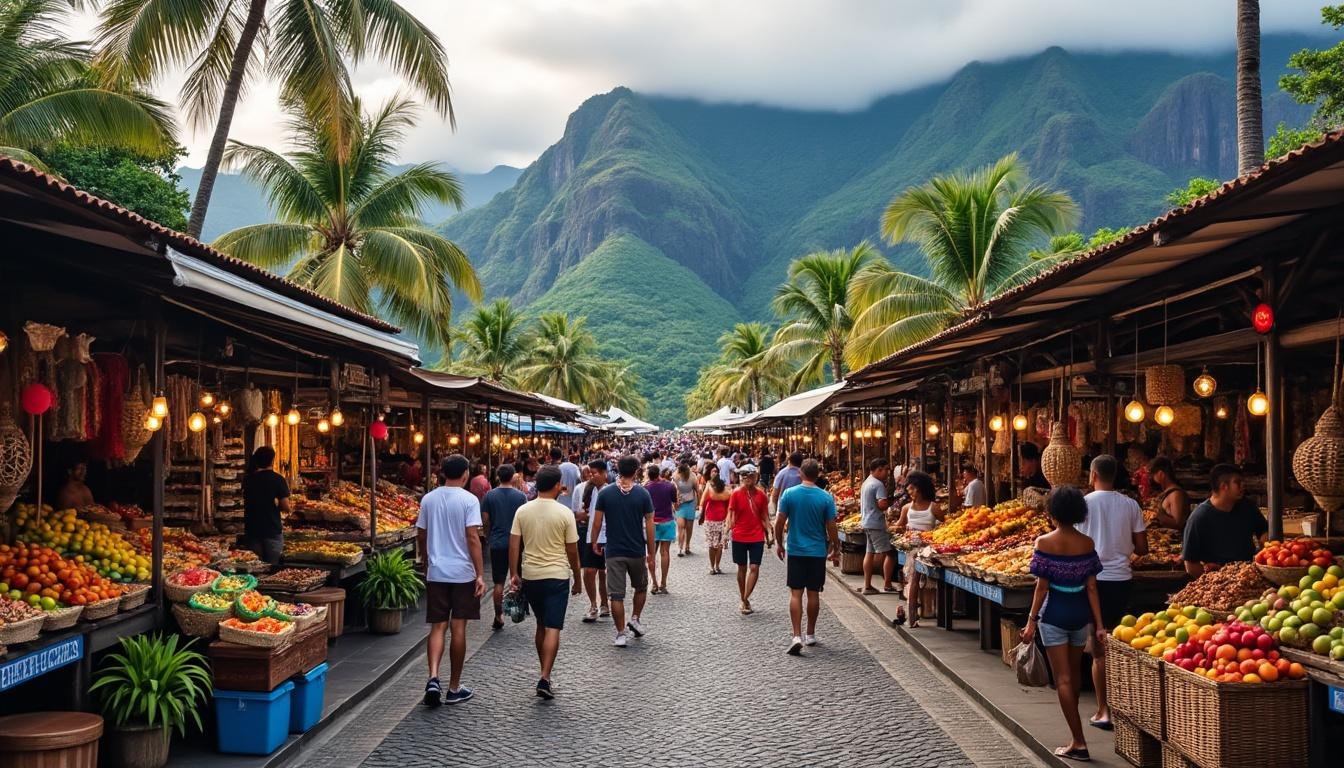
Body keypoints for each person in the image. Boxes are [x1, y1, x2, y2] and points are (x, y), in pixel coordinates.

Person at [1020, 486, 1106, 763]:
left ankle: (1078, 741)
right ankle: (1075, 733)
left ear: (1053, 512)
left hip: (1054, 615)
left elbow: (1041, 587)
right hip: (1080, 615)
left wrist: (1031, 621)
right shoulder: (1087, 544)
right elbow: (1092, 588)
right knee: (1074, 676)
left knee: (1063, 680)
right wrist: (1099, 624)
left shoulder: (1044, 542)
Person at [1077, 454, 1147, 732]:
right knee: (1118, 640)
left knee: (1098, 649)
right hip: (1121, 580)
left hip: (1091, 581)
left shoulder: (1083, 504)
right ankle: (1122, 705)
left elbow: (1074, 543)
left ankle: (1104, 710)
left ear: (1093, 474)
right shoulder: (1130, 505)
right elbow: (1142, 548)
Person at [417, 455, 485, 706]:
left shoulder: (428, 499)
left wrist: (426, 561)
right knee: (458, 628)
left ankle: (433, 677)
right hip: (462, 573)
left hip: (437, 571)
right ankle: (454, 687)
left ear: (443, 473)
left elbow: (421, 534)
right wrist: (480, 573)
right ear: (466, 474)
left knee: (437, 627)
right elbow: (473, 537)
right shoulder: (469, 500)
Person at [509, 465, 582, 700]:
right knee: (553, 627)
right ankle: (544, 675)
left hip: (531, 575)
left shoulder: (523, 511)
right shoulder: (564, 513)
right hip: (557, 575)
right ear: (556, 485)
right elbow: (572, 550)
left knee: (541, 625)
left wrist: (514, 573)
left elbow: (514, 544)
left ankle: (545, 673)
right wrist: (577, 577)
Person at [774, 458, 840, 655]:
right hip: (817, 550)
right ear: (818, 475)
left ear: (800, 473)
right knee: (813, 593)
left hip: (795, 549)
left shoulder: (789, 494)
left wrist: (779, 542)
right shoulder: (826, 497)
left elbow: (779, 521)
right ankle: (810, 633)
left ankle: (796, 635)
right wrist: (836, 547)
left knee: (796, 593)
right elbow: (831, 525)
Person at [591, 455, 656, 647]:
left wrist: (594, 542)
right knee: (641, 587)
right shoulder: (643, 494)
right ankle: (635, 618)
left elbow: (597, 522)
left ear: (617, 470)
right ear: (636, 471)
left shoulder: (605, 493)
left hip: (614, 551)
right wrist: (651, 552)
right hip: (636, 550)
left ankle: (620, 633)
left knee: (616, 595)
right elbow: (650, 524)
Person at [1182, 464, 1268, 576]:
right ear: (1224, 486)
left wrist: (1263, 554)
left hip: (1250, 574)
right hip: (1219, 579)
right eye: (1238, 482)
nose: (1243, 485)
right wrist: (1215, 579)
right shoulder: (1199, 517)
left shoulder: (1247, 506)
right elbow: (1190, 564)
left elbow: (1264, 532)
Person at [893, 470, 944, 627]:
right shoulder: (906, 508)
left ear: (920, 489)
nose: (910, 491)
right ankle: (912, 615)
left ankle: (915, 613)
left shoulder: (934, 508)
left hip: (928, 549)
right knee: (913, 578)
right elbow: (899, 525)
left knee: (916, 580)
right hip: (912, 548)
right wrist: (892, 527)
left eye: (913, 488)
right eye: (909, 488)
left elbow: (945, 526)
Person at [482, 464, 527, 631]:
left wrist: (489, 536)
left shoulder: (489, 495)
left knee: (498, 582)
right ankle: (517, 611)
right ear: (513, 476)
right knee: (517, 577)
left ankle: (498, 615)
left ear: (497, 476)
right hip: (517, 542)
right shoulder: (521, 496)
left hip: (497, 542)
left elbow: (485, 520)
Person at [726, 463, 771, 615]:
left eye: (750, 476)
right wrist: (726, 532)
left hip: (756, 535)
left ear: (755, 477)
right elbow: (731, 514)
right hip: (739, 535)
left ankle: (745, 598)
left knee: (754, 567)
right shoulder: (736, 494)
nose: (747, 479)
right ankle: (744, 598)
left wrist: (769, 532)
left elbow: (764, 515)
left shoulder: (761, 495)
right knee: (742, 568)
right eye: (744, 476)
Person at [574, 460, 611, 622]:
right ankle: (593, 605)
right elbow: (580, 513)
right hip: (591, 536)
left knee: (604, 572)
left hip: (606, 537)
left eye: (594, 473)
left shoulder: (609, 491)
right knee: (589, 571)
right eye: (589, 472)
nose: (591, 476)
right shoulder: (588, 490)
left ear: (604, 474)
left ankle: (605, 604)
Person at [242, 447, 291, 565]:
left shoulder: (248, 479)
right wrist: (276, 506)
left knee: (255, 567)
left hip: (252, 530)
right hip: (272, 529)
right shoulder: (278, 479)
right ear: (272, 460)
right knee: (272, 567)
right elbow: (286, 507)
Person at [858, 458, 897, 595]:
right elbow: (882, 504)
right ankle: (887, 584)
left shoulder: (866, 482)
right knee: (890, 554)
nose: (887, 473)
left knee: (869, 553)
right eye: (886, 470)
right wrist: (890, 504)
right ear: (879, 469)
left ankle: (867, 585)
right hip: (876, 523)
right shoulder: (878, 484)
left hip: (867, 522)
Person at [645, 466, 679, 594]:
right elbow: (675, 503)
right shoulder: (669, 486)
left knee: (651, 554)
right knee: (665, 552)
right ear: (659, 474)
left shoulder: (645, 488)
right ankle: (663, 583)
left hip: (651, 523)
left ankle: (654, 583)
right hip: (667, 522)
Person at [699, 473, 732, 575]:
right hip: (722, 521)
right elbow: (729, 508)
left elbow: (702, 503)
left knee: (713, 545)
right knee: (718, 545)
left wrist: (701, 516)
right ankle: (716, 566)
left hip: (711, 520)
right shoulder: (727, 493)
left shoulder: (710, 490)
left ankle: (712, 566)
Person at [1148, 457, 1189, 529]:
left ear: (1161, 474)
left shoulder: (1175, 494)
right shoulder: (1167, 491)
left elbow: (1178, 523)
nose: (1152, 478)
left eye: (1153, 474)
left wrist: (1156, 515)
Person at [672, 462, 701, 558]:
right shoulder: (675, 476)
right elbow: (672, 490)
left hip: (690, 503)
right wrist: (674, 503)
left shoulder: (693, 477)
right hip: (680, 504)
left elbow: (697, 491)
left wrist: (698, 504)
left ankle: (687, 545)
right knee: (681, 526)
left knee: (689, 527)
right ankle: (680, 547)